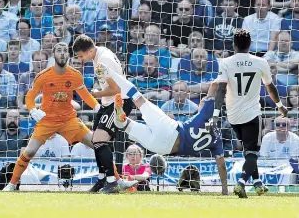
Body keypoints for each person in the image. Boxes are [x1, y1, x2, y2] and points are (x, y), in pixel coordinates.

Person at [3, 42, 136, 192]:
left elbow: (85, 95)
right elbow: (29, 96)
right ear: (54, 55)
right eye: (59, 50)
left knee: (98, 143)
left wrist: (98, 107)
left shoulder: (75, 75)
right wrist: (33, 110)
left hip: (69, 120)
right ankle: (12, 184)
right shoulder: (43, 76)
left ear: (68, 55)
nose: (62, 53)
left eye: (64, 50)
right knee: (29, 151)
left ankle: (118, 180)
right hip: (47, 121)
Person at [95, 63, 229, 195]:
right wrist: (225, 190)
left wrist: (226, 75)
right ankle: (122, 121)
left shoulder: (206, 112)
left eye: (203, 100)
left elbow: (214, 85)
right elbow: (222, 166)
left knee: (136, 96)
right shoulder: (217, 141)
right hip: (162, 148)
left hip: (170, 130)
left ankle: (109, 72)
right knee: (125, 125)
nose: (202, 100)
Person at [213, 29, 288, 198]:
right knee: (252, 153)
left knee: (248, 151)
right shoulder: (260, 62)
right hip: (252, 114)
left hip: (233, 115)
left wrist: (216, 114)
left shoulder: (225, 62)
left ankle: (258, 183)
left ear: (233, 44)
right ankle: (241, 182)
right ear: (250, 45)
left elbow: (221, 89)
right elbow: (271, 88)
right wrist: (280, 106)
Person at [73, 35, 136, 193]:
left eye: (81, 56)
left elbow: (116, 89)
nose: (80, 60)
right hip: (109, 102)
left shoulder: (102, 61)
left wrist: (95, 93)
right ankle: (102, 180)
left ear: (90, 51)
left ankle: (112, 182)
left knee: (100, 140)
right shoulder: (101, 52)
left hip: (119, 101)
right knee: (96, 140)